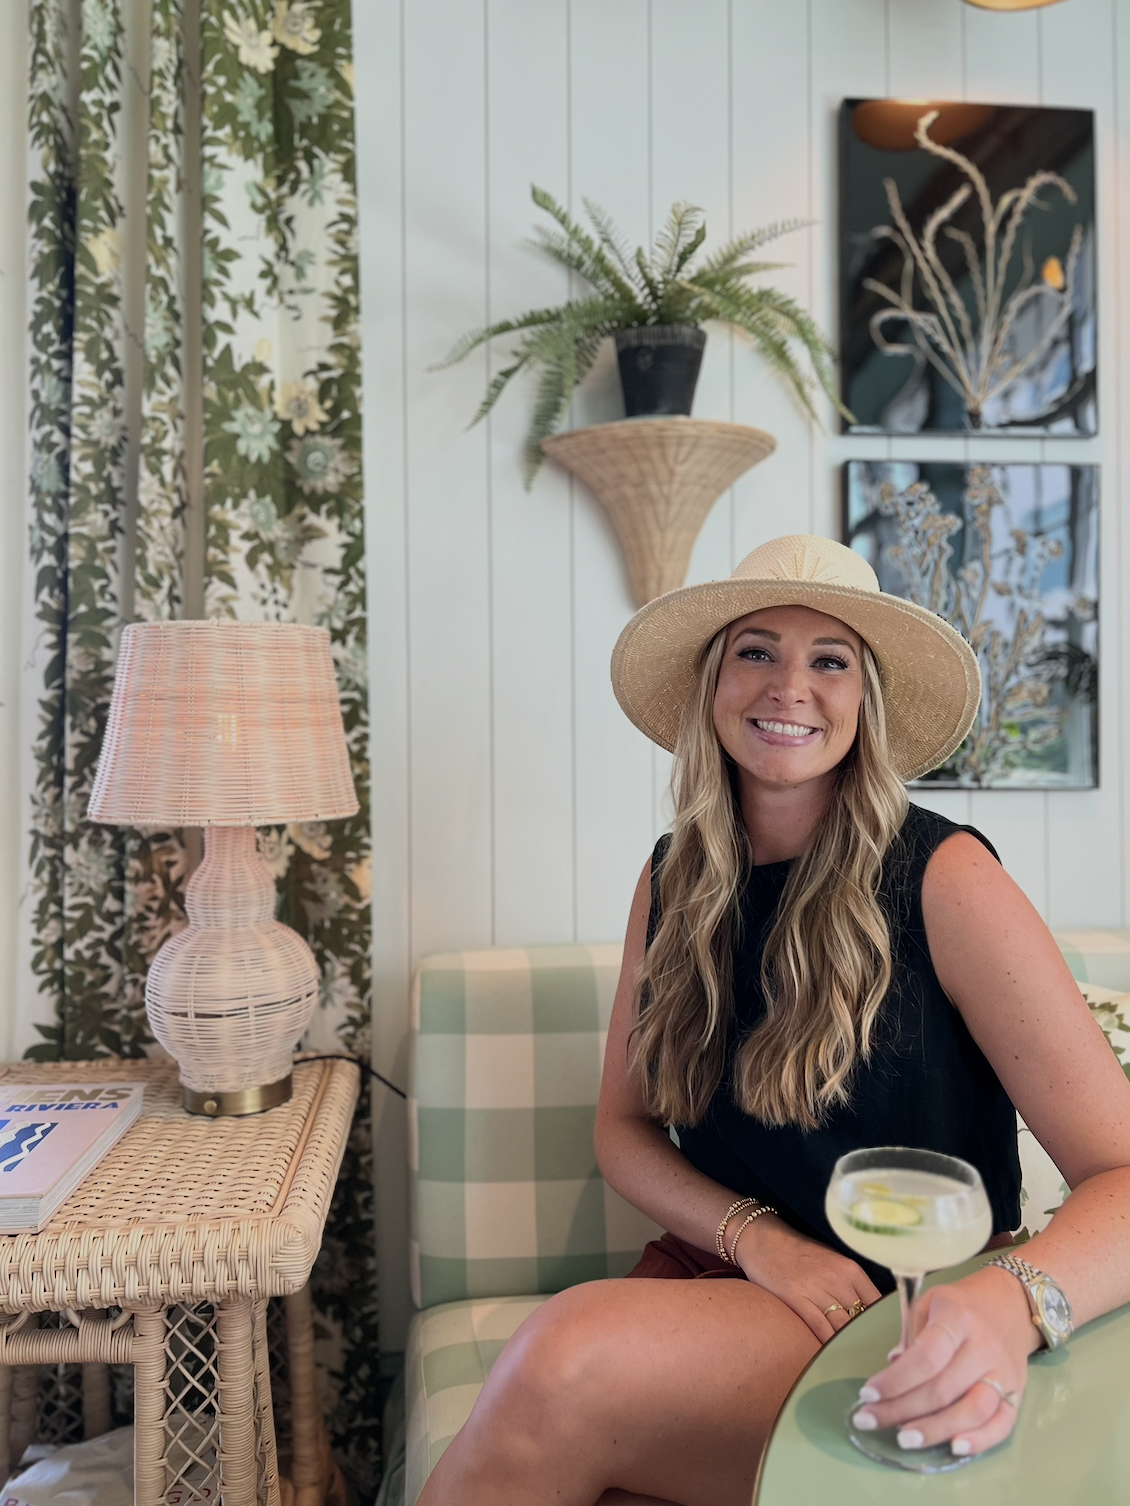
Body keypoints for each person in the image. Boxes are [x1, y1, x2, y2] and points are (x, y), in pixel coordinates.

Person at [417, 535, 1130, 1506]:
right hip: (717, 1274)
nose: (788, 685)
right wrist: (752, 1236)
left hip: (890, 1305)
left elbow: (1121, 1172)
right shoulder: (672, 875)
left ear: (862, 700)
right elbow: (620, 1129)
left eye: (827, 659)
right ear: (713, 682)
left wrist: (1010, 1308)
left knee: (557, 1363)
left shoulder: (945, 879)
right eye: (755, 650)